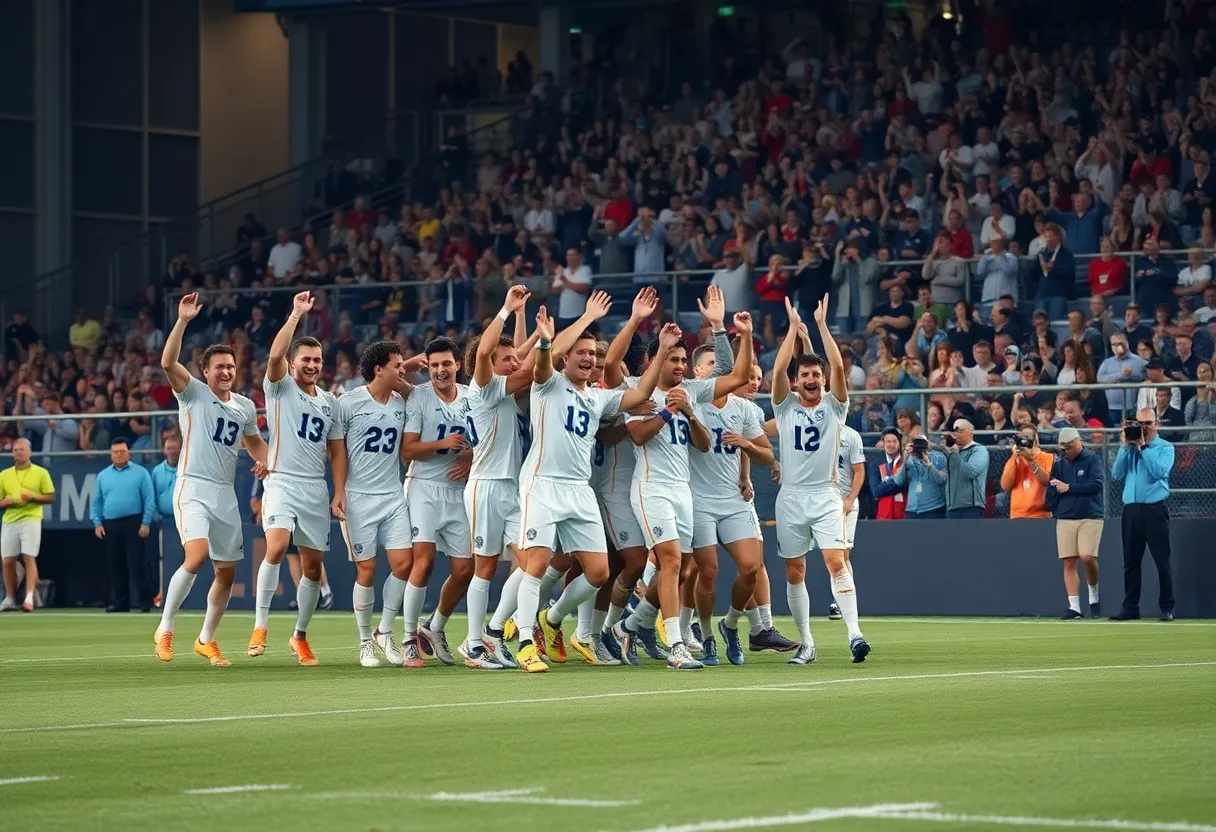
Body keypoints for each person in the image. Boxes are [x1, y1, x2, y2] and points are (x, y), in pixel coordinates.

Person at [513, 312, 679, 673]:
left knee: (599, 573)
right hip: (542, 483)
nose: (589, 359)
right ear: (566, 358)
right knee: (537, 565)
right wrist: (544, 341)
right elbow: (541, 365)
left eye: (592, 354)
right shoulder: (549, 384)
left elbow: (640, 393)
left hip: (579, 489)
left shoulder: (598, 399)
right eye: (581, 353)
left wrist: (664, 349)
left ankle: (551, 618)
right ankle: (525, 642)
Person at [604, 305, 755, 670]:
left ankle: (628, 626)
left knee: (684, 569)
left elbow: (737, 378)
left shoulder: (690, 391)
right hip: (651, 486)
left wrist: (743, 335)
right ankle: (675, 646)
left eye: (683, 359)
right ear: (657, 358)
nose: (679, 365)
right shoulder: (639, 392)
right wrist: (669, 411)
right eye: (673, 358)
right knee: (671, 562)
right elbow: (637, 435)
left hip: (682, 489)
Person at [155, 294, 267, 665]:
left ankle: (205, 638)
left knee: (226, 572)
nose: (225, 372)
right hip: (193, 487)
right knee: (197, 556)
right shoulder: (193, 394)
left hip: (225, 494)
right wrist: (183, 321)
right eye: (218, 366)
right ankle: (166, 627)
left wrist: (267, 463)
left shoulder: (245, 406)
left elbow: (254, 442)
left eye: (230, 367)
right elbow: (167, 361)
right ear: (205, 371)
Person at [769, 295, 870, 666]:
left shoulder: (834, 405)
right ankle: (807, 643)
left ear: (824, 381)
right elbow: (778, 371)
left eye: (817, 375)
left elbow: (839, 369)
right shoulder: (785, 406)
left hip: (827, 495)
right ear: (797, 382)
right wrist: (792, 331)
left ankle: (855, 634)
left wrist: (822, 327)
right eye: (805, 375)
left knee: (835, 561)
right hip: (791, 497)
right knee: (795, 570)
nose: (811, 379)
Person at [248, 292, 343, 665]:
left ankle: (299, 636)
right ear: (292, 363)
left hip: (314, 487)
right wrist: (295, 316)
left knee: (313, 567)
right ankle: (260, 625)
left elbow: (336, 450)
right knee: (275, 546)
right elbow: (272, 358)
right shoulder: (280, 386)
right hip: (282, 481)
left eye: (318, 360)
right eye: (306, 359)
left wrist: (337, 492)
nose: (313, 365)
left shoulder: (329, 402)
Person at [685, 300, 772, 666]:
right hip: (698, 499)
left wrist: (747, 445)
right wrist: (719, 328)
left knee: (751, 568)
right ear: (695, 371)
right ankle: (705, 636)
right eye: (708, 365)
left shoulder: (745, 409)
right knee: (707, 571)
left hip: (734, 499)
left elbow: (769, 458)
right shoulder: (690, 397)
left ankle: (732, 624)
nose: (716, 370)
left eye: (717, 365)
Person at [329, 340, 424, 668]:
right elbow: (338, 451)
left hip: (392, 495)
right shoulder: (348, 402)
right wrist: (339, 491)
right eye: (396, 364)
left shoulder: (403, 401)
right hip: (358, 497)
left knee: (403, 564)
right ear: (378, 368)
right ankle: (365, 641)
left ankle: (385, 631)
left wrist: (410, 368)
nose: (402, 368)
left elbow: (424, 397)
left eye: (403, 363)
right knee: (366, 570)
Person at [398, 336, 473, 666]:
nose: (441, 370)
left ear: (458, 365)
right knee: (424, 562)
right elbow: (408, 449)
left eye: (447, 364)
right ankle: (408, 636)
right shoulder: (418, 397)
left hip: (458, 489)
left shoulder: (472, 398)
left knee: (464, 569)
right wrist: (441, 443)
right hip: (424, 486)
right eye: (435, 365)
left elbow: (488, 439)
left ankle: (435, 627)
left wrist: (472, 455)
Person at [1110, 408, 1176, 621]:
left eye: (1147, 423)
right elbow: (1116, 474)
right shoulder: (1129, 448)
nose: (1143, 427)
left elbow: (1158, 472)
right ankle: (1130, 607)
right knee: (1130, 561)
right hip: (1130, 509)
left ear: (1156, 423)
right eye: (1139, 423)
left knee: (1161, 561)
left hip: (1154, 508)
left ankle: (1167, 607)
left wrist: (1143, 447)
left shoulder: (1165, 448)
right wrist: (1125, 447)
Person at [91, 438, 155, 613]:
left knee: (137, 563)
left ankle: (144, 602)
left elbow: (149, 499)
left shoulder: (140, 473)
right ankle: (120, 603)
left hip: (133, 521)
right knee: (115, 564)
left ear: (129, 453)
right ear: (111, 454)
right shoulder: (103, 475)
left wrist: (145, 522)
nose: (119, 455)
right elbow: (97, 501)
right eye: (115, 452)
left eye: (122, 451)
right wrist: (97, 522)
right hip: (110, 523)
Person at [1047, 427, 1105, 619]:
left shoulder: (1093, 460)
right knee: (1069, 561)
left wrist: (1069, 487)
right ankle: (1075, 607)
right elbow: (1053, 487)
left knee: (1087, 556)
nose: (1065, 452)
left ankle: (1094, 595)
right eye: (1062, 449)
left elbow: (1096, 485)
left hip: (1089, 515)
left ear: (1079, 442)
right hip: (1065, 516)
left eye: (1068, 448)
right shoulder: (1059, 464)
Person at [0, 439, 55, 612]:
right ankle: (9, 598)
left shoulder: (41, 473)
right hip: (10, 519)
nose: (18, 452)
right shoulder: (4, 475)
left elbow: (51, 497)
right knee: (7, 561)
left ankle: (29, 597)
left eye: (22, 449)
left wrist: (33, 497)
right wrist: (5, 502)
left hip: (31, 517)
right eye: (16, 450)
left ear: (29, 452)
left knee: (29, 557)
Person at [824, 424, 866, 621]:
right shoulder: (815, 429)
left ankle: (840, 602)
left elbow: (859, 471)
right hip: (821, 501)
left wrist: (850, 498)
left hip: (844, 500)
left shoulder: (851, 436)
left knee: (842, 554)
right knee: (831, 554)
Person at [148, 435, 181, 606]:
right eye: (169, 448)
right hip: (164, 521)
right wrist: (155, 517)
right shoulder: (157, 471)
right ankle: (161, 595)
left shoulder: (187, 468)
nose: (172, 452)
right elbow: (151, 496)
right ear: (164, 450)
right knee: (162, 559)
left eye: (175, 448)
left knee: (185, 558)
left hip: (184, 519)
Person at [1000, 425, 1053, 520]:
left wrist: (1030, 459)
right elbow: (1005, 486)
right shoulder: (1014, 460)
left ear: (1036, 440)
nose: (1025, 442)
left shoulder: (1048, 457)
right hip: (1017, 515)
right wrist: (1014, 456)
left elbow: (1045, 480)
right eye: (1022, 439)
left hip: (1040, 515)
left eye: (1027, 439)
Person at [943, 419, 989, 519]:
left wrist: (954, 454)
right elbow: (943, 476)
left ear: (971, 432)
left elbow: (970, 473)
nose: (956, 434)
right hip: (952, 507)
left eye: (960, 430)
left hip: (971, 507)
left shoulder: (979, 450)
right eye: (955, 431)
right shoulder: (952, 453)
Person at [868, 428, 908, 520]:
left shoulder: (906, 461)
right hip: (883, 516)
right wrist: (898, 481)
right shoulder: (875, 464)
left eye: (894, 441)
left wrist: (886, 485)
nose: (891, 445)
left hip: (904, 516)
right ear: (883, 444)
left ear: (899, 443)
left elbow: (907, 484)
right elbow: (876, 491)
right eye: (888, 442)